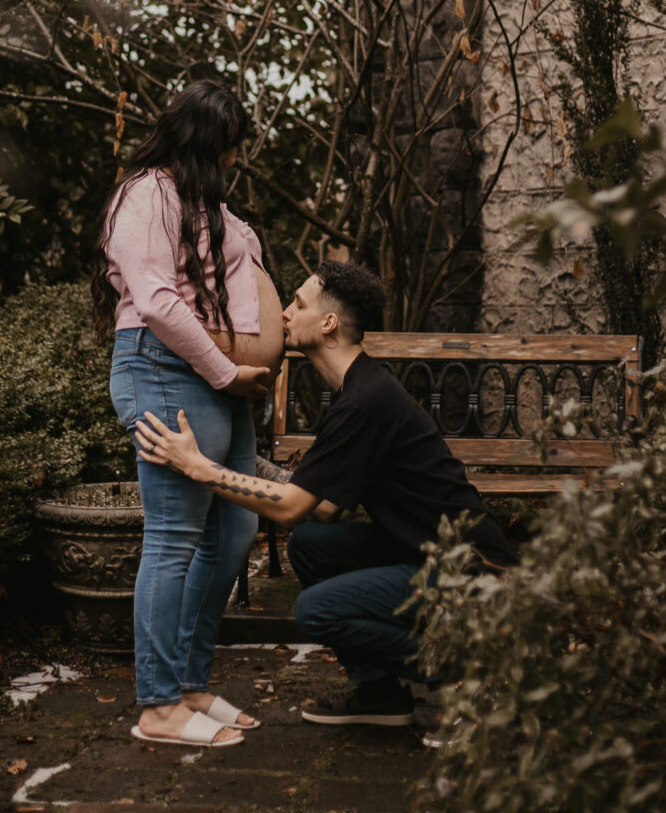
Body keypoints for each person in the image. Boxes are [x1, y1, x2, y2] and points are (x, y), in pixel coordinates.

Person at [134, 261, 519, 736]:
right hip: (427, 554)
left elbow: (292, 507)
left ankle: (470, 671)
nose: (286, 315)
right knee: (313, 544)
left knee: (318, 609)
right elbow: (322, 507)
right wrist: (239, 459)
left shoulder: (365, 401)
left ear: (329, 323)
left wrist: (199, 467)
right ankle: (380, 693)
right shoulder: (357, 390)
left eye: (298, 304)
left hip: (475, 575)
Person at [91, 80, 285, 748]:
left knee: (231, 535)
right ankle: (158, 704)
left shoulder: (210, 206)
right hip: (164, 367)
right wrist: (227, 370)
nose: (233, 160)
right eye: (228, 148)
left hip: (217, 378)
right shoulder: (148, 194)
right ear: (207, 142)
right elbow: (154, 300)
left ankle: (192, 684)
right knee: (175, 537)